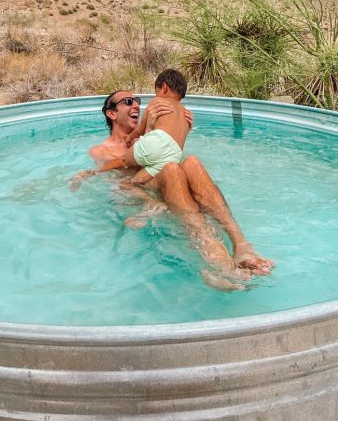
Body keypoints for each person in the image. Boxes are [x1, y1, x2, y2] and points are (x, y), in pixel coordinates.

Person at [79, 72, 274, 283]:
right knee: (172, 169)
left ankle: (241, 245)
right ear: (112, 114)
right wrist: (148, 202)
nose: (136, 105)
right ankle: (220, 263)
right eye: (128, 101)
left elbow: (166, 153)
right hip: (152, 195)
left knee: (192, 162)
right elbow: (118, 185)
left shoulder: (147, 139)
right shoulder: (101, 151)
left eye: (137, 101)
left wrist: (180, 130)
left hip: (173, 188)